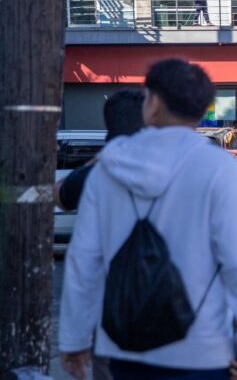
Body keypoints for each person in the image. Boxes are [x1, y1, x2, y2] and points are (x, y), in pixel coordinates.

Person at [59, 59, 237, 380]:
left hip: (122, 345)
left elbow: (83, 260)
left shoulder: (106, 168)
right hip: (202, 346)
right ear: (201, 109)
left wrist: (73, 340)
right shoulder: (219, 168)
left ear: (153, 102)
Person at [54, 89, 144, 380]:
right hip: (178, 313)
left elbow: (61, 196)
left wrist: (73, 341)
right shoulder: (182, 168)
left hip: (113, 314)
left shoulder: (99, 174)